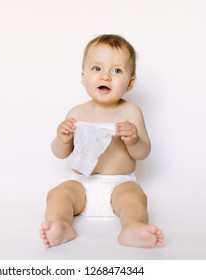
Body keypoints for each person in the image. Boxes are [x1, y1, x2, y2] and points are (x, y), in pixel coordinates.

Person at [40, 34, 164, 248]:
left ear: (130, 82)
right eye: (97, 69)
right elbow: (60, 153)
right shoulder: (76, 112)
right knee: (58, 194)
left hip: (119, 184)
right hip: (81, 184)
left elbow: (143, 153)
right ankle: (60, 225)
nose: (105, 76)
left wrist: (134, 139)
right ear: (83, 76)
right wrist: (62, 138)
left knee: (135, 197)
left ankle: (132, 227)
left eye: (117, 70)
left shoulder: (130, 112)